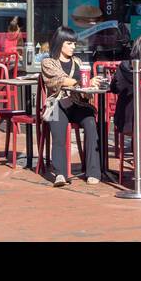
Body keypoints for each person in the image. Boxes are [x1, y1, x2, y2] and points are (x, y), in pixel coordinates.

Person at [40, 26, 103, 187]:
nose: (73, 47)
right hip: (56, 104)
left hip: (77, 103)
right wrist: (83, 82)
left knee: (90, 124)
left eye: (74, 43)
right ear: (60, 43)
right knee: (58, 134)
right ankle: (60, 174)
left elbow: (84, 87)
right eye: (69, 43)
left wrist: (91, 84)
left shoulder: (78, 62)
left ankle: (93, 172)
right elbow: (60, 80)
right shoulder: (48, 62)